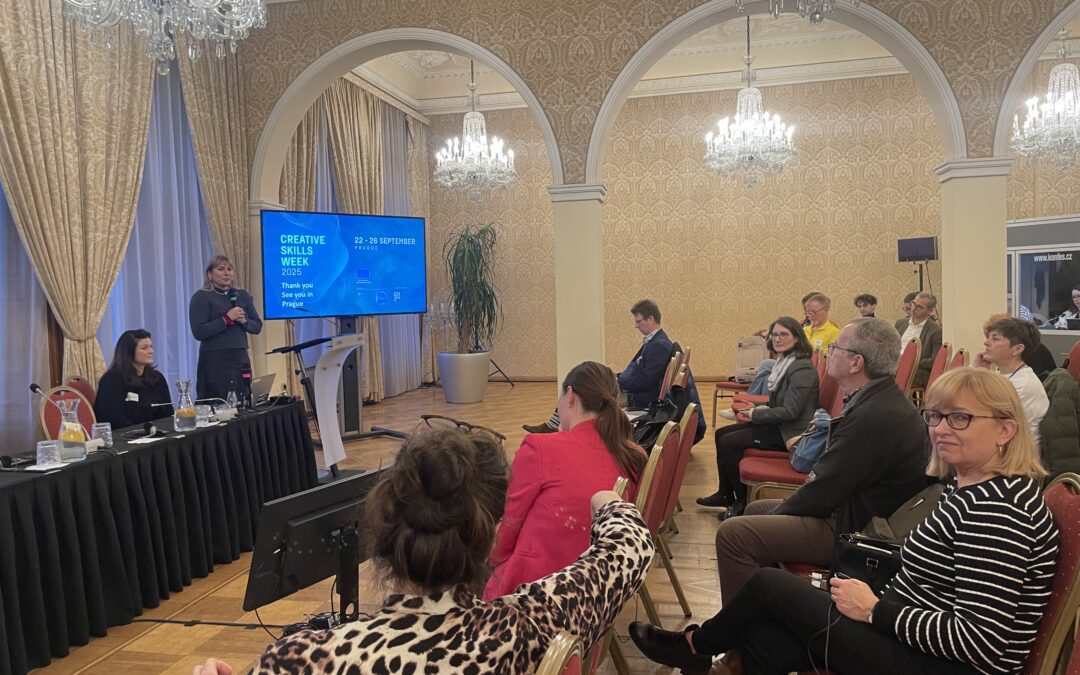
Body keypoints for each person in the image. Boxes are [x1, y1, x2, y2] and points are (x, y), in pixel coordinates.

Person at [630, 367, 1058, 675]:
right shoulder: (972, 486)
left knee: (768, 585)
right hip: (908, 633)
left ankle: (694, 645)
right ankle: (697, 650)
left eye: (960, 418)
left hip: (937, 662)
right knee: (763, 638)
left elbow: (982, 642)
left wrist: (874, 610)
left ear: (1006, 430)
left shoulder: (999, 510)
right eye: (935, 416)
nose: (941, 429)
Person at [191, 429, 654, 675]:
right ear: (491, 537)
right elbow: (631, 549)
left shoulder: (304, 660)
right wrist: (608, 503)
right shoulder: (532, 625)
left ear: (383, 530)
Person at [709, 319, 930, 604]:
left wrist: (780, 515)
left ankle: (739, 627)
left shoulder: (874, 416)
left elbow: (825, 489)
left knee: (733, 534)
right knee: (754, 509)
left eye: (836, 347)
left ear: (856, 363)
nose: (830, 352)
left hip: (858, 530)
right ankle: (767, 607)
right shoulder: (878, 399)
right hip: (853, 510)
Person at [484, 361, 647, 599]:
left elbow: (508, 531)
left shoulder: (540, 448)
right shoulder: (633, 454)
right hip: (598, 589)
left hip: (534, 593)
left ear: (570, 396)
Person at [523, 299, 706, 442]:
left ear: (651, 319)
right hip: (635, 390)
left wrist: (618, 381)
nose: (636, 326)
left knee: (580, 390)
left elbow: (646, 381)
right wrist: (617, 377)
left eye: (639, 321)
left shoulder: (659, 344)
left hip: (639, 397)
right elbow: (642, 375)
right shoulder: (657, 341)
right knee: (580, 386)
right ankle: (554, 427)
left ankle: (564, 433)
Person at [697, 316, 818, 517]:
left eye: (784, 334)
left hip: (792, 434)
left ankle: (742, 503)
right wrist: (756, 406)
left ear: (797, 338)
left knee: (729, 442)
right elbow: (779, 403)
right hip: (781, 425)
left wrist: (755, 413)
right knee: (721, 434)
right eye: (775, 334)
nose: (777, 338)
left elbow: (791, 412)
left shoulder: (801, 367)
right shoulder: (786, 362)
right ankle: (725, 493)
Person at [188, 255, 263, 401]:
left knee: (243, 401)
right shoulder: (202, 296)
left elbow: (257, 326)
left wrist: (244, 321)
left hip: (240, 358)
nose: (226, 273)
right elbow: (199, 332)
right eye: (221, 269)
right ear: (210, 274)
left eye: (229, 269)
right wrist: (226, 318)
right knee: (218, 404)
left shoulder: (242, 295)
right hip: (215, 360)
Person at [974, 316, 1049, 444]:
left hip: (1015, 452)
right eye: (988, 337)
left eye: (995, 338)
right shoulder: (1003, 375)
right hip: (998, 443)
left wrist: (976, 373)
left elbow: (977, 413)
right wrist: (978, 372)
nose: (986, 342)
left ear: (1017, 349)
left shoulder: (1022, 384)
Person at [94, 329, 174, 427]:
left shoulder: (157, 378)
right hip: (126, 434)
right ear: (129, 352)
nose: (151, 351)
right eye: (145, 348)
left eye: (151, 347)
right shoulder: (112, 380)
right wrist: (143, 432)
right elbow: (114, 420)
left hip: (159, 432)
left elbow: (168, 412)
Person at [896, 291, 942, 388]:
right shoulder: (900, 323)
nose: (914, 308)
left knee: (885, 376)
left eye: (919, 307)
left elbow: (934, 360)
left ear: (930, 311)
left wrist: (909, 362)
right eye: (913, 303)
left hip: (917, 370)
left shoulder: (935, 331)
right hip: (896, 365)